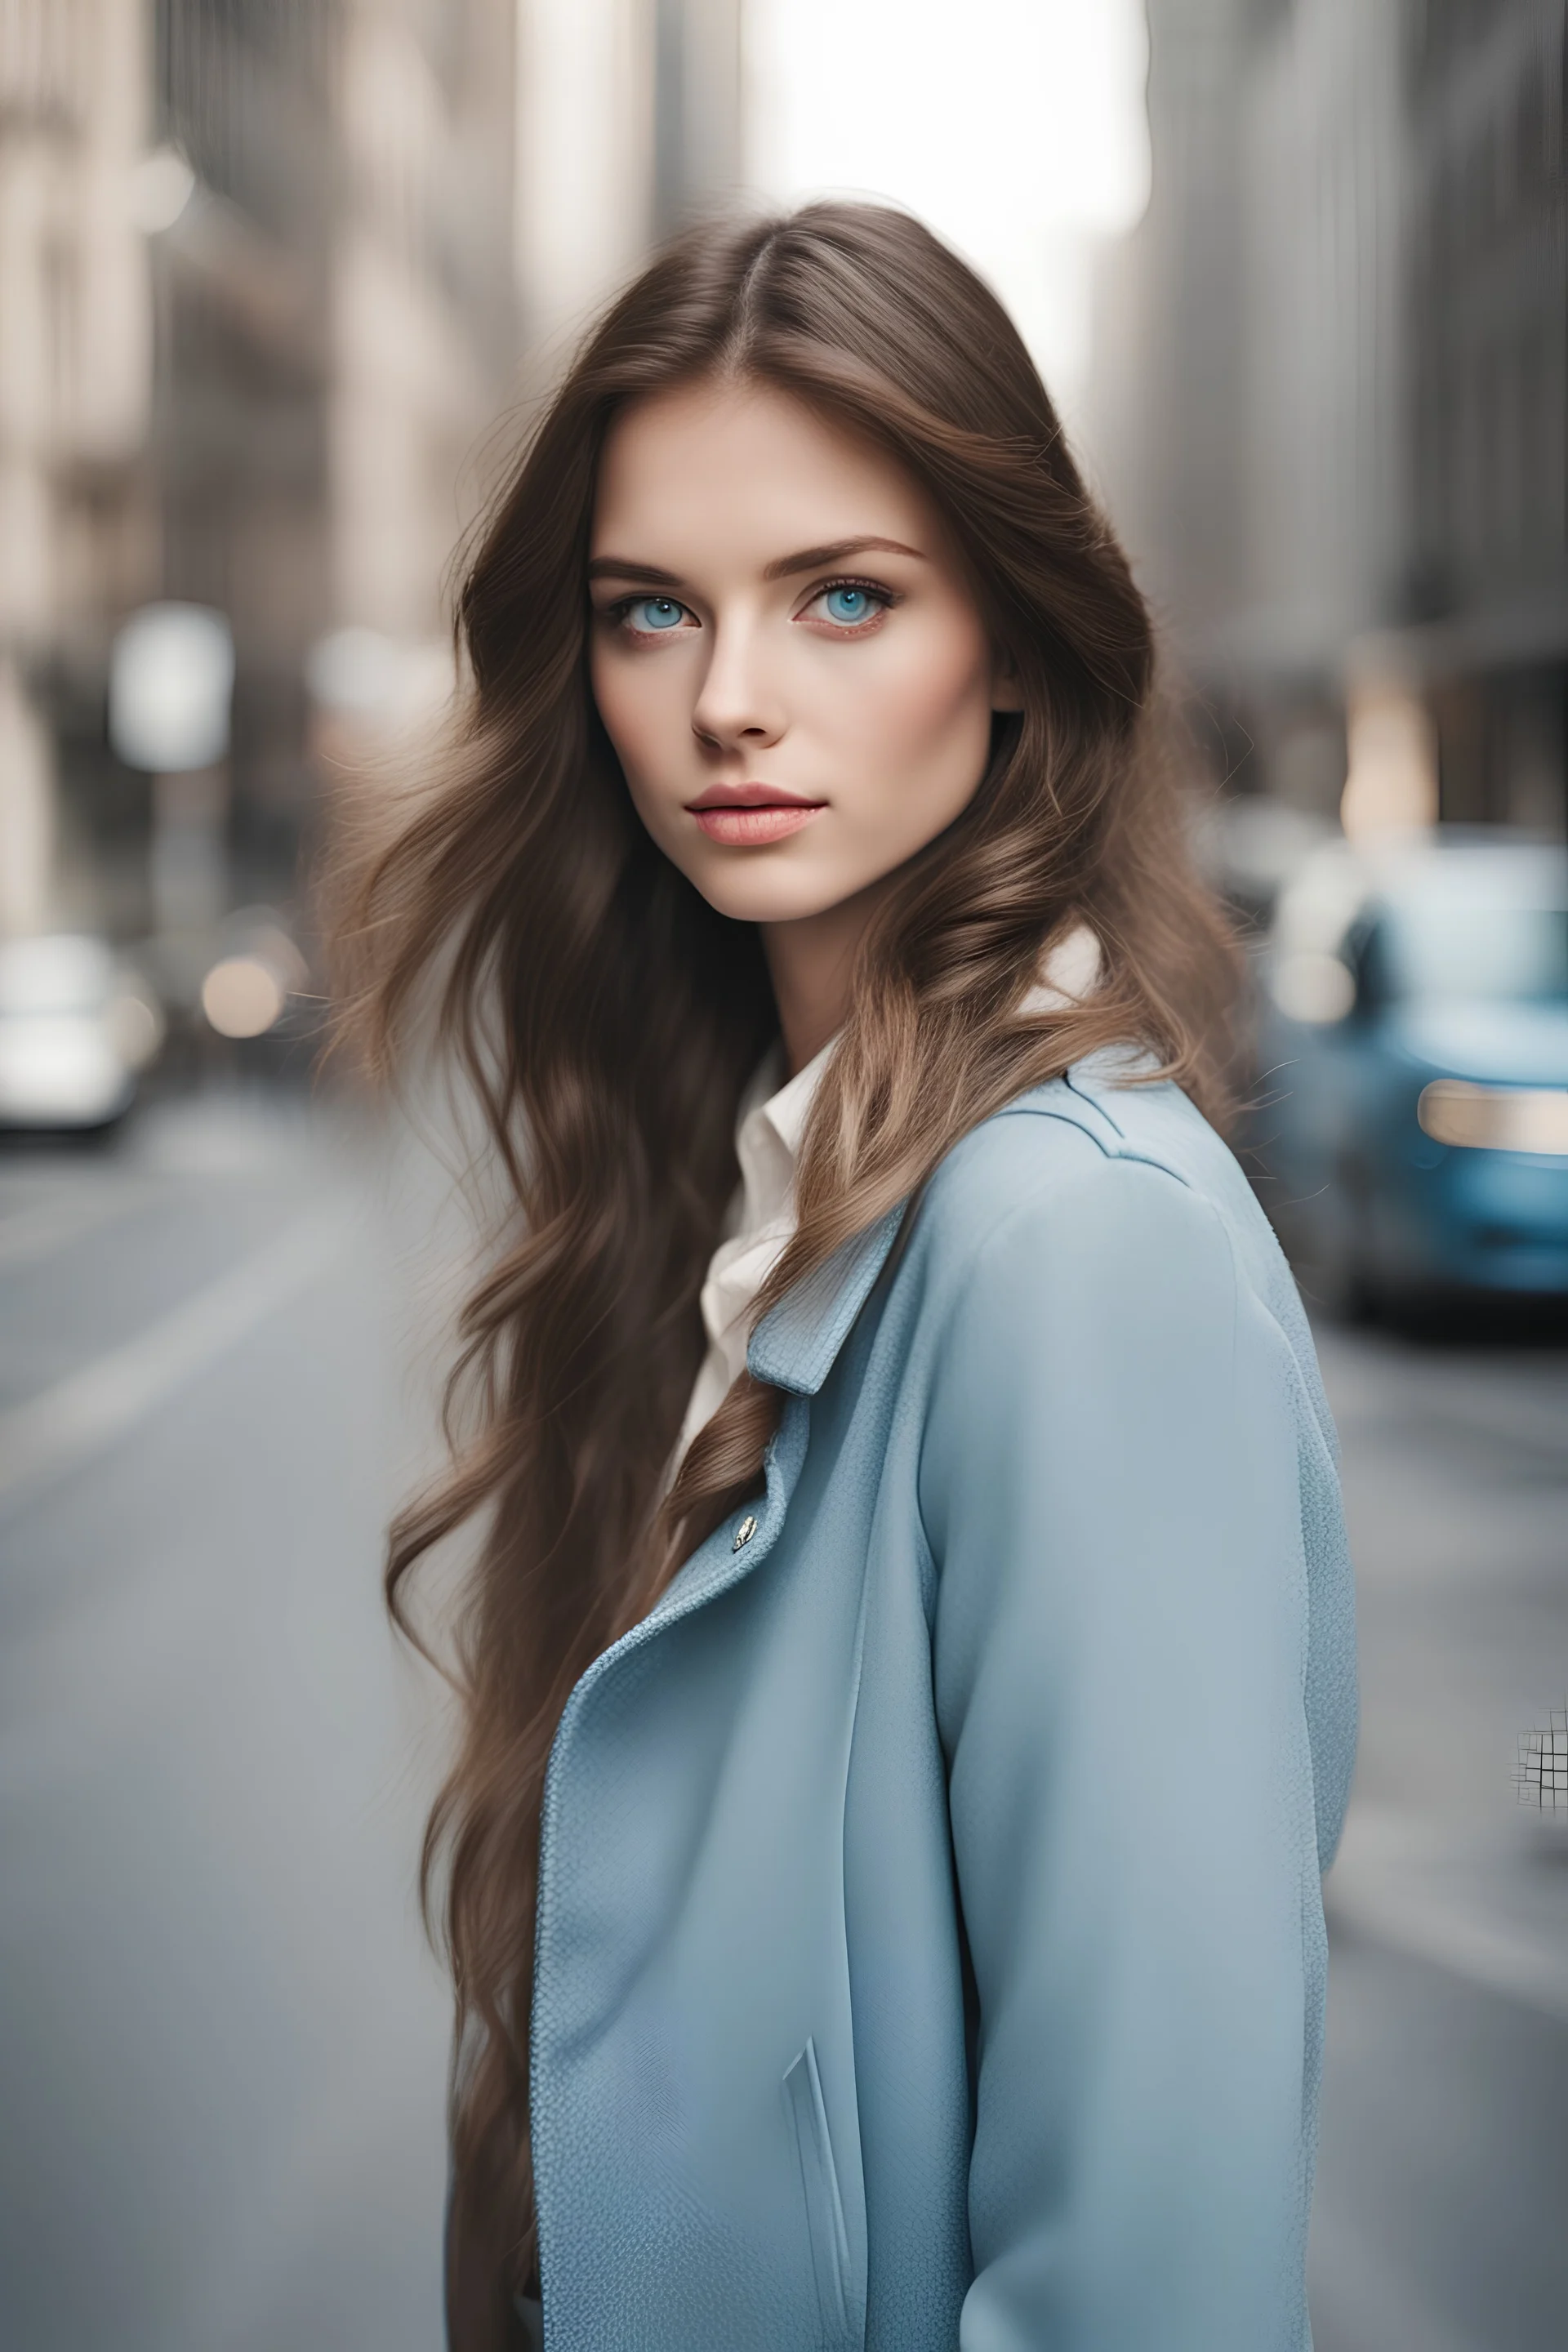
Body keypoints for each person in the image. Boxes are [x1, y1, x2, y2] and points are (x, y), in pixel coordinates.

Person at [336, 203, 1357, 2352]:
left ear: (1011, 640)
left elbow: (1146, 2286)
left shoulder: (1076, 1247)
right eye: (648, 611)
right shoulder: (734, 1196)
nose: (729, 700)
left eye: (844, 598)